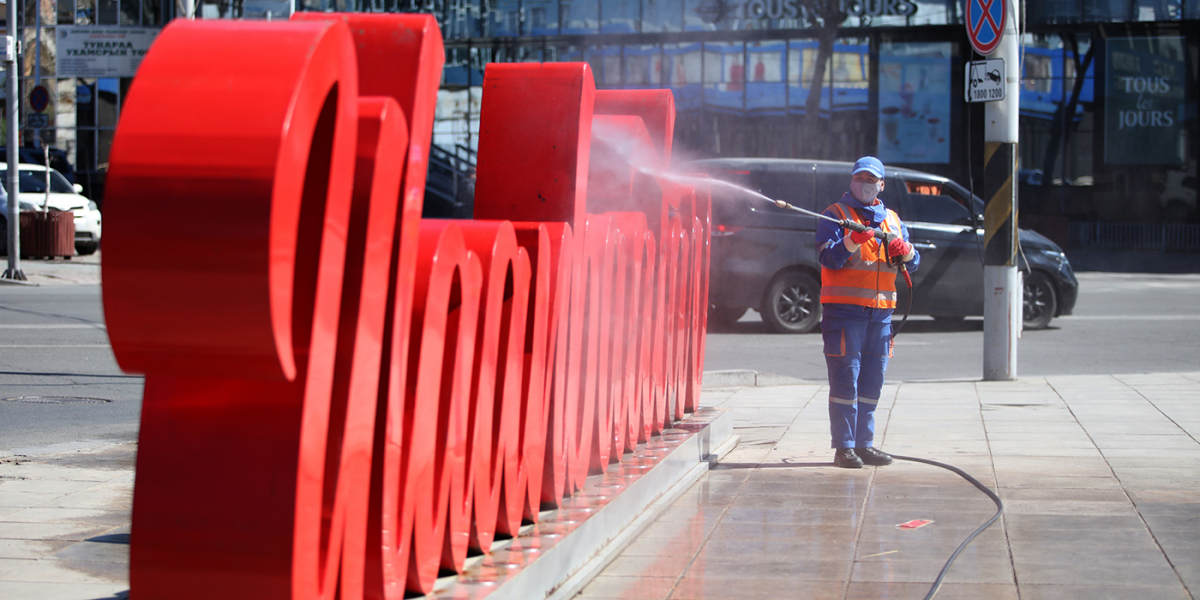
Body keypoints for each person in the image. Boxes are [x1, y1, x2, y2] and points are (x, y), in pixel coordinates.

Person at [816, 156, 920, 469]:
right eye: (860, 178)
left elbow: (913, 263)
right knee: (846, 379)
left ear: (881, 184)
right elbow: (828, 259)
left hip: (882, 316)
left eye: (871, 180)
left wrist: (908, 251)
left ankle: (865, 444)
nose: (865, 184)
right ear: (851, 182)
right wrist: (850, 239)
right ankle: (844, 447)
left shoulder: (891, 219)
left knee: (872, 382)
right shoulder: (834, 215)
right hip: (844, 313)